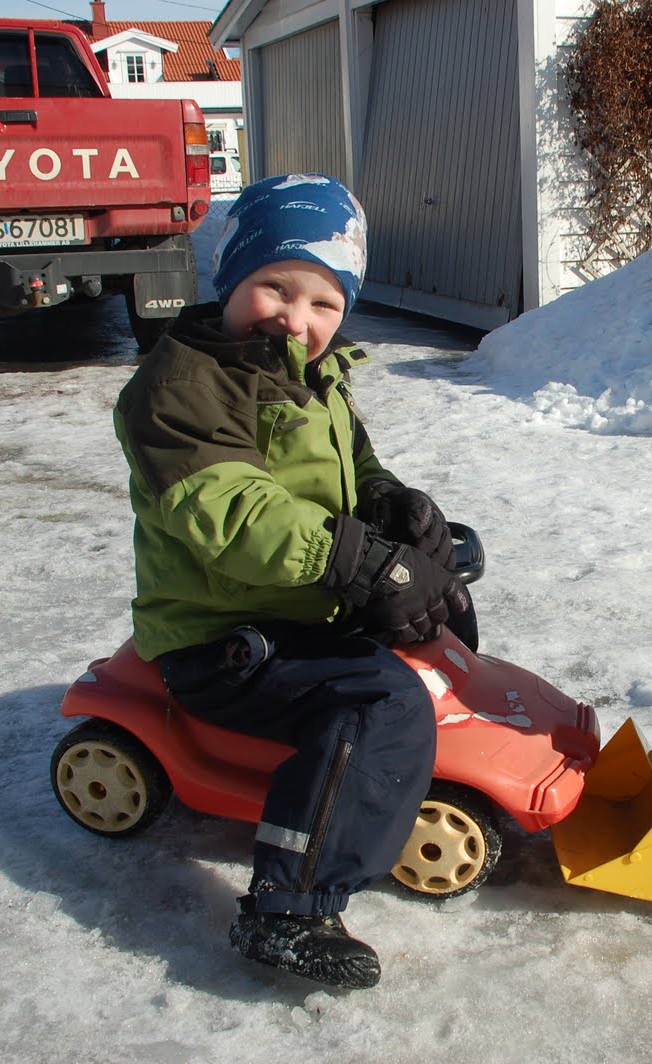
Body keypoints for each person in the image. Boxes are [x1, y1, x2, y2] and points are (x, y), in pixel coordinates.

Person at [113, 173, 472, 989]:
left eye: (323, 302)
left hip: (304, 601)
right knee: (377, 701)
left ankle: (416, 755)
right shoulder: (180, 390)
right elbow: (235, 515)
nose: (295, 318)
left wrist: (393, 506)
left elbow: (355, 464)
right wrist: (362, 564)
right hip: (221, 634)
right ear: (231, 275)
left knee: (443, 604)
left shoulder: (318, 372)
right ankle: (290, 907)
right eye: (275, 287)